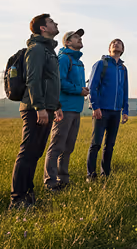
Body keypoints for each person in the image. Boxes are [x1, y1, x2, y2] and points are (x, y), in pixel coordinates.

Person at [9, 14, 63, 209]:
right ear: (43, 28)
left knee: (35, 153)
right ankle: (17, 199)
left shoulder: (48, 50)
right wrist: (39, 107)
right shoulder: (37, 49)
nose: (56, 23)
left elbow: (50, 81)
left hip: (45, 108)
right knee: (27, 152)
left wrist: (55, 106)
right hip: (34, 109)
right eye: (51, 22)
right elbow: (33, 79)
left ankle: (28, 195)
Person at [44, 29, 89, 190]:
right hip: (64, 108)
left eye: (80, 37)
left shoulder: (79, 62)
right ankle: (50, 182)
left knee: (68, 147)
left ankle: (63, 180)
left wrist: (82, 90)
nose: (80, 39)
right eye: (76, 37)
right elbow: (59, 82)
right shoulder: (63, 59)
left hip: (76, 109)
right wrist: (79, 90)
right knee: (56, 146)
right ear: (67, 42)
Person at [86, 39, 129, 181]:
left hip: (116, 112)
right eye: (113, 43)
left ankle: (106, 174)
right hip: (102, 110)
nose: (116, 44)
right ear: (109, 48)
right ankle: (90, 175)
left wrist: (125, 110)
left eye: (119, 43)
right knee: (96, 143)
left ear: (122, 49)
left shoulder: (123, 69)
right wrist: (95, 106)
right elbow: (92, 86)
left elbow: (125, 90)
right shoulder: (101, 64)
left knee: (109, 145)